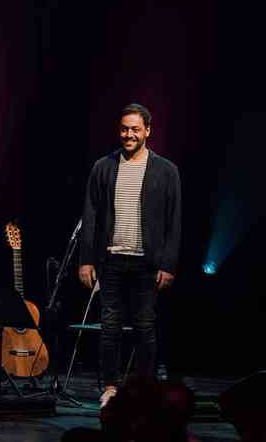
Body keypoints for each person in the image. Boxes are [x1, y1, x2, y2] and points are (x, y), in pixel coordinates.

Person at [78, 103, 181, 408]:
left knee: (145, 328)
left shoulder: (167, 170)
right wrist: (85, 260)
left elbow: (175, 221)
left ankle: (145, 390)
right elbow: (91, 214)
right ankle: (110, 387)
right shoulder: (103, 167)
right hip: (111, 261)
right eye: (124, 128)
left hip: (147, 264)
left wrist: (168, 264)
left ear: (148, 131)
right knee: (109, 328)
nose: (129, 134)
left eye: (135, 129)